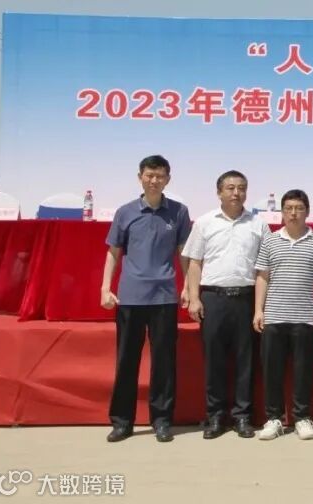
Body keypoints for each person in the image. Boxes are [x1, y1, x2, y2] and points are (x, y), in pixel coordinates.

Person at [101, 155, 191, 443]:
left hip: (164, 297)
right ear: (140, 177)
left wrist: (189, 286)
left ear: (168, 179)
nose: (154, 180)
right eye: (149, 175)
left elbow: (184, 252)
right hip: (131, 297)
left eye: (160, 176)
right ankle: (122, 421)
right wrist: (105, 287)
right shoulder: (125, 212)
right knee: (126, 360)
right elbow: (113, 252)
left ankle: (162, 421)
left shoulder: (178, 212)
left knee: (164, 362)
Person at [184, 170, 270, 439]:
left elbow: (265, 268)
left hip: (246, 298)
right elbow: (194, 262)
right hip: (213, 298)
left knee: (246, 360)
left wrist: (261, 307)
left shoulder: (258, 224)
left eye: (241, 188)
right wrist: (194, 297)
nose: (236, 193)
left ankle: (242, 416)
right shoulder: (204, 223)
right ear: (218, 192)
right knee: (214, 360)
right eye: (230, 188)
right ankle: (215, 416)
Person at [253, 190, 313, 441]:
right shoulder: (270, 240)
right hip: (274, 317)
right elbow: (262, 276)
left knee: (303, 371)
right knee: (272, 371)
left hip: (305, 317)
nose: (293, 213)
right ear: (282, 212)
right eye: (288, 208)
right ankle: (274, 419)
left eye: (298, 208)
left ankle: (302, 418)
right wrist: (258, 310)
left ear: (307, 211)